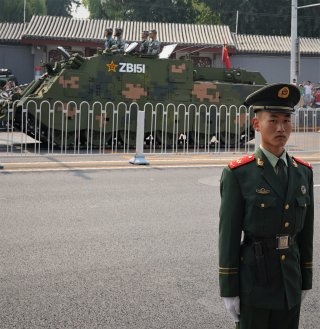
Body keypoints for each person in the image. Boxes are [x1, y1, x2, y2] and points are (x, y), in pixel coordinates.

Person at [219, 83, 314, 329]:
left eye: (286, 120)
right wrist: (229, 288)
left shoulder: (303, 172)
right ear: (256, 124)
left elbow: (306, 233)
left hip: (289, 280)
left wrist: (305, 278)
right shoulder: (239, 174)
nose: (281, 128)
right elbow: (228, 235)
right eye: (273, 120)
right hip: (255, 281)